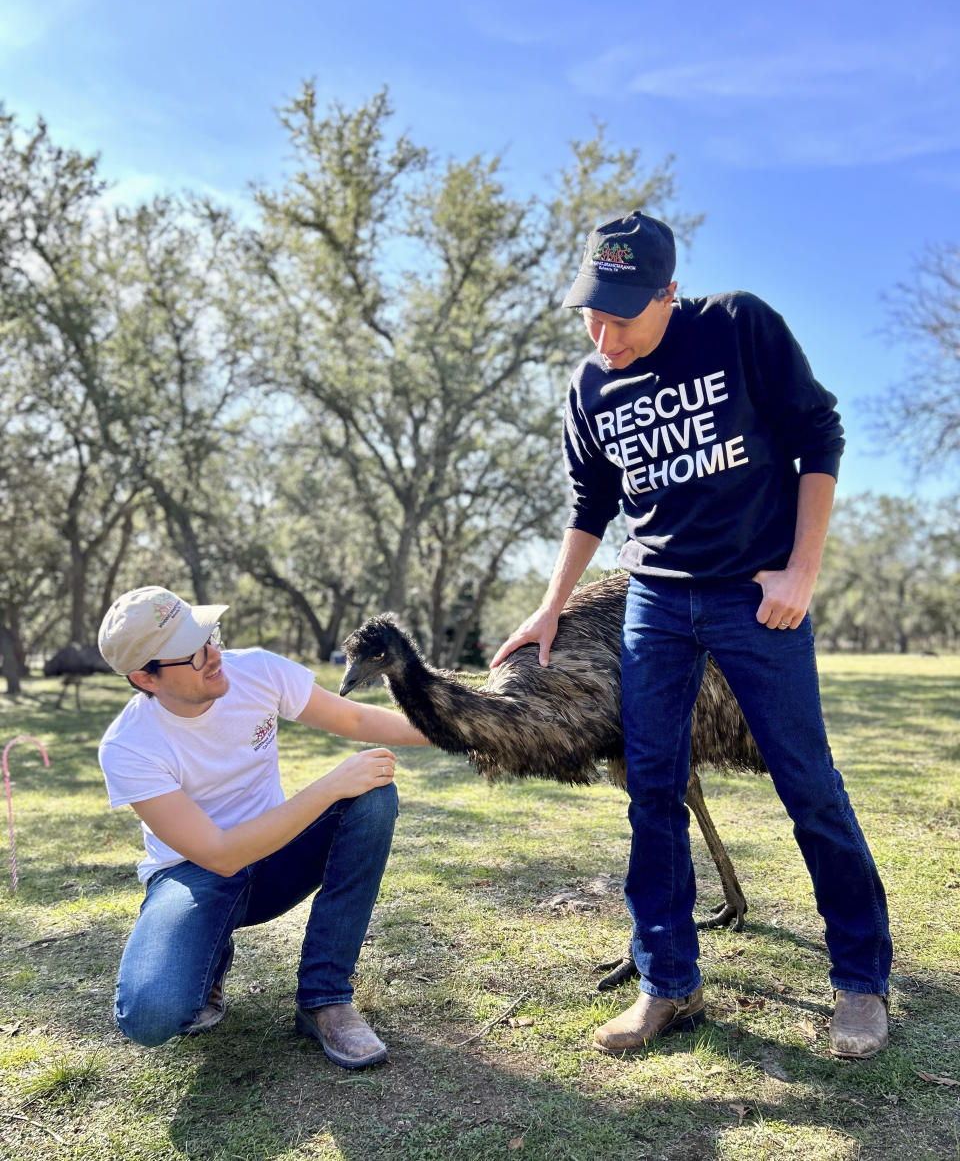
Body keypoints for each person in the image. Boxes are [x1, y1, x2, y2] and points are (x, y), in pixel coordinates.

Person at [491, 210, 892, 1060]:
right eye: (589, 312)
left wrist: (802, 573)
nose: (603, 333)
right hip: (655, 603)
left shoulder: (739, 326)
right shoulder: (591, 384)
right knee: (652, 791)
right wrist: (551, 604)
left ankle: (860, 982)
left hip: (756, 598)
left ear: (669, 294)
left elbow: (819, 435)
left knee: (810, 788)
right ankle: (667, 985)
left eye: (623, 314)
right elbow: (589, 505)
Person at [97, 585, 429, 1069]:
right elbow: (219, 854)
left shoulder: (254, 670)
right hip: (196, 875)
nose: (213, 657)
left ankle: (324, 999)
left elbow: (355, 716)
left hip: (278, 860)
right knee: (150, 1015)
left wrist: (462, 728)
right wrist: (329, 786)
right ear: (145, 679)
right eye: (192, 655)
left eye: (210, 637)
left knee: (372, 794)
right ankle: (206, 956)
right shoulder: (128, 747)